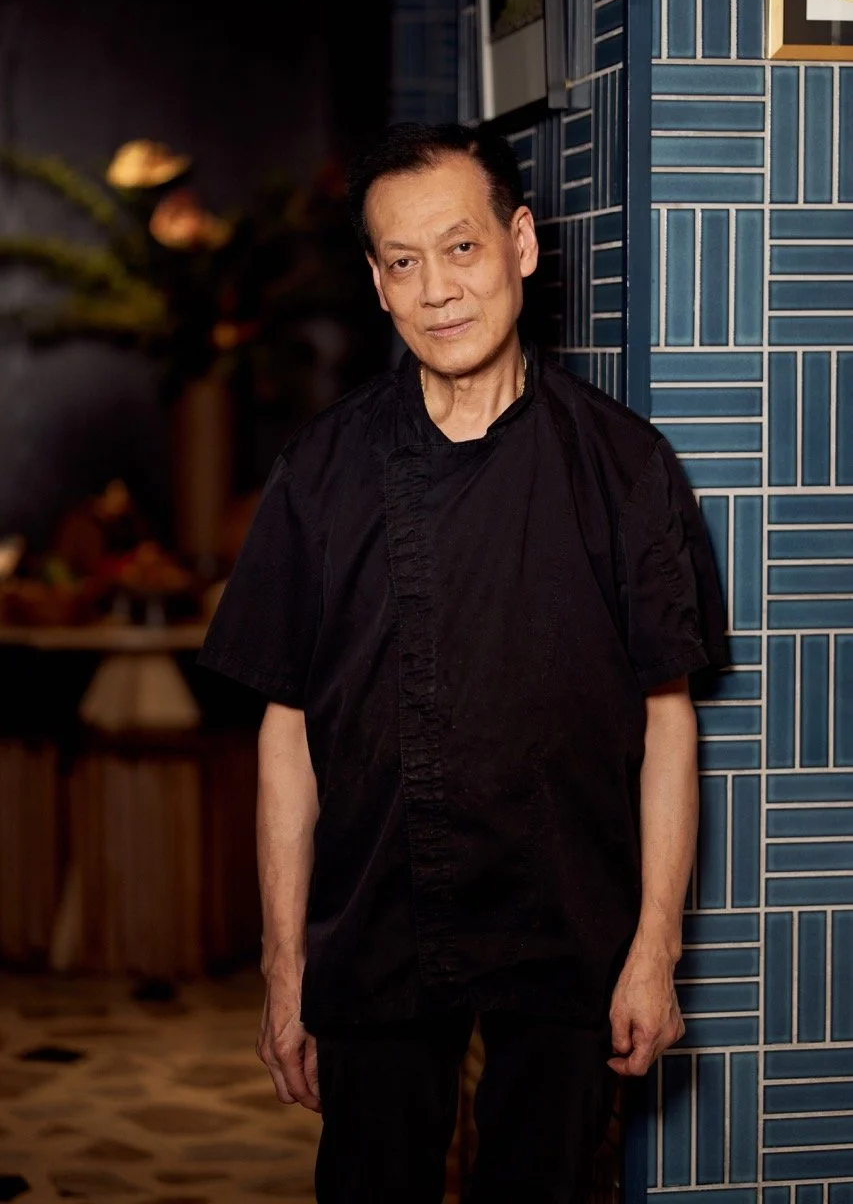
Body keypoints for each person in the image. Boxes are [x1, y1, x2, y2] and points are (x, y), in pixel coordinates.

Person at [197, 122, 728, 1203]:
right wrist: (285, 963)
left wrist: (654, 946)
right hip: (377, 918)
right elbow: (287, 732)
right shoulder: (321, 471)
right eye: (403, 262)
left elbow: (665, 718)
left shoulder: (623, 466)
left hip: (566, 918)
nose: (436, 289)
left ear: (519, 243)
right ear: (376, 283)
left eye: (461, 248)